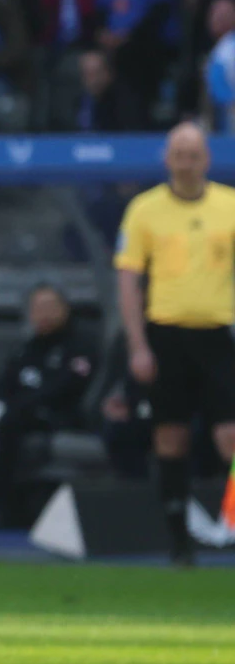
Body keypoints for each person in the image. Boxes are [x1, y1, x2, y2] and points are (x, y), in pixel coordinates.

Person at [113, 122, 235, 565]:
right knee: (171, 437)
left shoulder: (230, 205)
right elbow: (129, 281)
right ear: (166, 159)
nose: (186, 161)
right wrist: (138, 346)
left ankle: (231, 522)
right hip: (166, 335)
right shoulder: (145, 210)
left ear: (207, 158)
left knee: (230, 436)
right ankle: (179, 540)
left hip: (218, 334)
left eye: (194, 153)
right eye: (179, 153)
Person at [0, 285, 97, 524]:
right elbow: (5, 381)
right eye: (38, 308)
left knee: (10, 422)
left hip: (61, 416)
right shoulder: (26, 348)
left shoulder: (80, 345)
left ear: (65, 310)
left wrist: (12, 406)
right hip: (22, 415)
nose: (45, 314)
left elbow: (64, 388)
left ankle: (4, 505)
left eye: (51, 307)